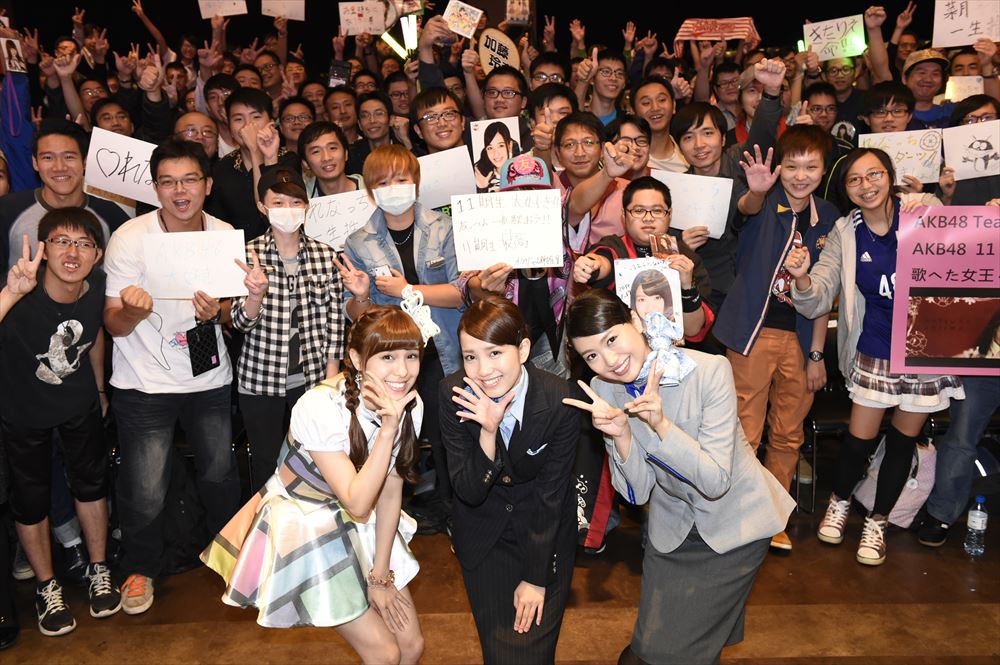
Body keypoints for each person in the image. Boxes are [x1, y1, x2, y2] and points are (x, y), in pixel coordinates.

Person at [562, 288, 795, 664]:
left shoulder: (708, 371)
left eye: (611, 340)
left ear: (635, 321)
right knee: (658, 650)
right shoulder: (605, 390)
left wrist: (661, 425)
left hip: (734, 527)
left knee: (667, 654)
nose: (609, 360)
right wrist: (621, 436)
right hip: (671, 531)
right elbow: (636, 494)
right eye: (591, 355)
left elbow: (716, 481)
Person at [202, 306, 426, 664]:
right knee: (385, 654)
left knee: (411, 647)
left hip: (360, 521)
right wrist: (388, 429)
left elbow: (389, 491)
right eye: (387, 357)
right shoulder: (319, 406)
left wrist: (381, 577)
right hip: (307, 522)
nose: (402, 371)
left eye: (411, 356)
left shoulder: (410, 405)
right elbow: (357, 502)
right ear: (357, 359)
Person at [786, 147, 964, 565]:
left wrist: (977, 213)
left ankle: (878, 521)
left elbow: (967, 251)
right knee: (857, 441)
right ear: (845, 189)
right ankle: (839, 501)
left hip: (925, 350)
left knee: (902, 443)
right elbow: (819, 292)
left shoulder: (924, 210)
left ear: (890, 175)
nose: (866, 185)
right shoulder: (845, 232)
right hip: (875, 349)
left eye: (874, 175)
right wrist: (802, 278)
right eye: (854, 179)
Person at [103, 139, 240, 614]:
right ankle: (140, 568)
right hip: (144, 383)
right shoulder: (130, 238)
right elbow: (112, 322)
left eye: (189, 180)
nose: (180, 191)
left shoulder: (223, 235)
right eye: (168, 182)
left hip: (209, 378)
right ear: (155, 188)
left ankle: (230, 557)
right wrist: (132, 313)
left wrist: (218, 312)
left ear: (208, 184)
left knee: (220, 473)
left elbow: (234, 316)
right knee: (144, 486)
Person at [714, 125, 841, 551]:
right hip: (754, 331)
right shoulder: (764, 199)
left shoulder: (830, 217)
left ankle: (772, 519)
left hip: (803, 339)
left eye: (811, 167)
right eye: (792, 166)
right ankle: (736, 515)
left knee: (789, 435)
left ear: (823, 170)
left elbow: (825, 291)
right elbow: (744, 210)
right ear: (779, 168)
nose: (800, 176)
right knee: (745, 433)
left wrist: (817, 354)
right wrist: (755, 192)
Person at [439, 297, 580, 664]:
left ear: (523, 349)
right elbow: (467, 490)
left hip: (543, 537)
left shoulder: (559, 400)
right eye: (470, 357)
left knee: (533, 654)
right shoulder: (454, 394)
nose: (483, 370)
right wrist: (488, 433)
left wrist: (535, 577)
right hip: (485, 539)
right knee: (500, 654)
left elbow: (552, 496)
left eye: (495, 353)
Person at [0, 209, 120, 637]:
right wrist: (10, 294)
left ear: (97, 254)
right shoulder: (21, 289)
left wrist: (100, 387)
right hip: (22, 412)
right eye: (62, 242)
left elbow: (95, 333)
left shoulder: (99, 286)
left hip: (79, 404)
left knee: (92, 485)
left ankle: (99, 568)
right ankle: (47, 586)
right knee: (31, 501)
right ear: (44, 249)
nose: (73, 253)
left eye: (84, 244)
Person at [338, 144, 464, 534]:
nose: (393, 188)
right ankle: (394, 515)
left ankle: (454, 511)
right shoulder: (358, 241)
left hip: (442, 349)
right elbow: (357, 314)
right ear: (370, 191)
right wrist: (362, 295)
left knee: (447, 434)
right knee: (393, 433)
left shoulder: (443, 227)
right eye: (383, 182)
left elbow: (460, 293)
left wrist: (408, 289)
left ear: (416, 183)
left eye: (401, 179)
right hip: (392, 356)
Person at [232, 168, 346, 489]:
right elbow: (240, 322)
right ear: (262, 207)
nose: (288, 209)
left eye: (295, 202)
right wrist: (255, 295)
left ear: (306, 207)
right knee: (266, 462)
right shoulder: (246, 255)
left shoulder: (325, 255)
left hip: (313, 378)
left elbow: (335, 322)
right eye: (278, 202)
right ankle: (265, 519)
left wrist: (330, 381)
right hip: (260, 380)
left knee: (316, 460)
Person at [1, 121, 128, 275]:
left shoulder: (111, 215)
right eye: (48, 158)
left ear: (85, 161)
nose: (59, 167)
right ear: (35, 163)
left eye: (69, 157)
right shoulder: (7, 210)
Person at [937, 95, 1000, 206]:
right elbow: (939, 212)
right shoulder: (949, 166)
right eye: (970, 120)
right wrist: (947, 197)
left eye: (987, 118)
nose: (979, 124)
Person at [475, 121, 519, 193]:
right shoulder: (481, 177)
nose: (496, 154)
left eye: (501, 146)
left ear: (510, 145)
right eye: (490, 148)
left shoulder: (523, 173)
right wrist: (482, 188)